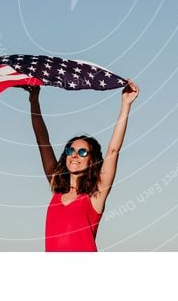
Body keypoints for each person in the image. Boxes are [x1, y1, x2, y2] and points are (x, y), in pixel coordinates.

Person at [25, 79, 140, 252]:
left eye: (82, 152)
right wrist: (34, 100)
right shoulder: (56, 185)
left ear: (91, 160)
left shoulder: (96, 193)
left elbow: (113, 151)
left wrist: (125, 105)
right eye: (71, 151)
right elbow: (42, 139)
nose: (75, 156)